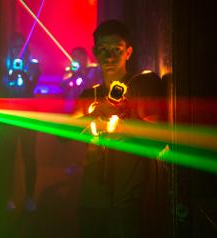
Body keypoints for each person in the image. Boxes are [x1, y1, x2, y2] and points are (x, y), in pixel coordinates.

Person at [75, 20, 165, 237]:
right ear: (95, 52)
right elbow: (63, 136)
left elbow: (160, 140)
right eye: (104, 50)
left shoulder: (143, 88)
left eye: (116, 49)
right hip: (92, 198)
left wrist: (128, 118)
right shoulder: (90, 95)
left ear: (128, 52)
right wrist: (90, 117)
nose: (109, 57)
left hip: (130, 202)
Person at [0, 32, 40, 212]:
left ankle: (30, 197)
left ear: (26, 48)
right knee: (8, 157)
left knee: (29, 156)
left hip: (28, 116)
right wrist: (9, 74)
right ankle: (8, 196)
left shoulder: (33, 65)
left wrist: (22, 73)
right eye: (14, 46)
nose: (18, 49)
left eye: (21, 45)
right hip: (10, 116)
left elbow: (32, 86)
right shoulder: (4, 64)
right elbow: (0, 87)